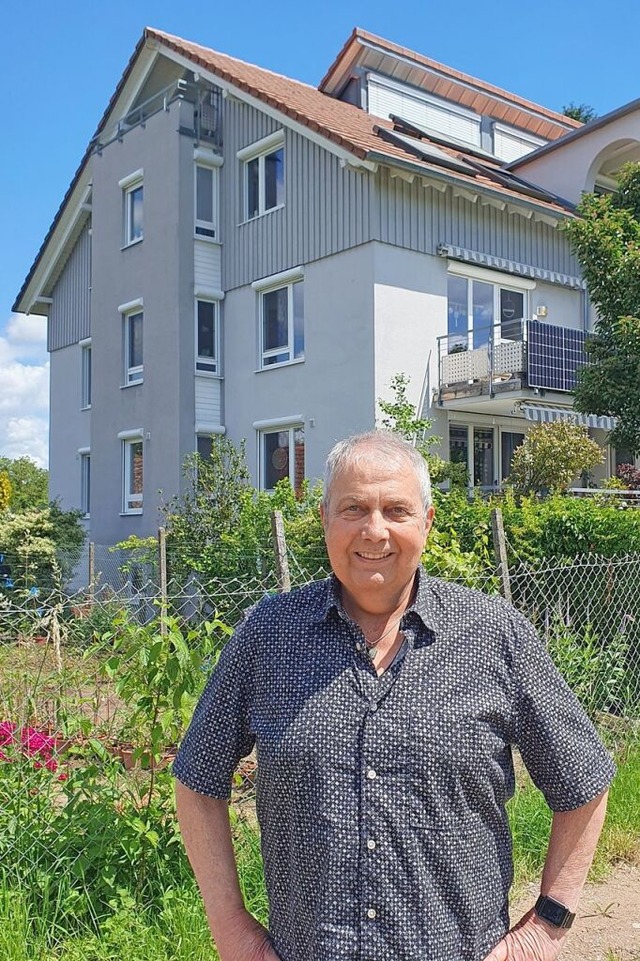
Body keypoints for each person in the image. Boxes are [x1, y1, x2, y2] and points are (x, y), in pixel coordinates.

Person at [174, 430, 615, 961]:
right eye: (353, 508)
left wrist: (544, 929)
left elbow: (585, 781)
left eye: (396, 509)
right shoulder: (268, 636)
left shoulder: (494, 634)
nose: (374, 530)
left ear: (426, 523)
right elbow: (198, 781)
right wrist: (231, 931)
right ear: (324, 520)